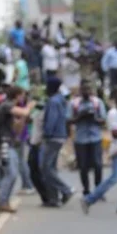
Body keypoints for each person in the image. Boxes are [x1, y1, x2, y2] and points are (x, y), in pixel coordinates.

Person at [0, 86, 36, 213]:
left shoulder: (10, 110)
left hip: (9, 143)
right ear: (17, 96)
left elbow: (16, 130)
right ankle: (2, 201)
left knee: (8, 172)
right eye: (22, 95)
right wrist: (29, 106)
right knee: (11, 173)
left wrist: (23, 119)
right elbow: (25, 112)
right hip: (4, 144)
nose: (23, 98)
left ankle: (3, 199)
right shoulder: (6, 106)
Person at [68, 80, 107, 196]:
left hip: (95, 137)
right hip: (80, 138)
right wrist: (80, 116)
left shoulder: (97, 103)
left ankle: (98, 189)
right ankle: (86, 190)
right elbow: (69, 120)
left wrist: (94, 118)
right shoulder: (74, 104)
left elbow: (103, 120)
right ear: (80, 91)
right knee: (83, 166)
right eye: (84, 89)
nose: (86, 92)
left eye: (88, 89)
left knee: (98, 164)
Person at [40, 76, 74, 207]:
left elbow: (51, 120)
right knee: (51, 167)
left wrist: (46, 133)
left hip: (53, 137)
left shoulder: (53, 101)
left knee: (46, 168)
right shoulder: (61, 100)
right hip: (60, 135)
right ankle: (54, 198)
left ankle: (66, 189)